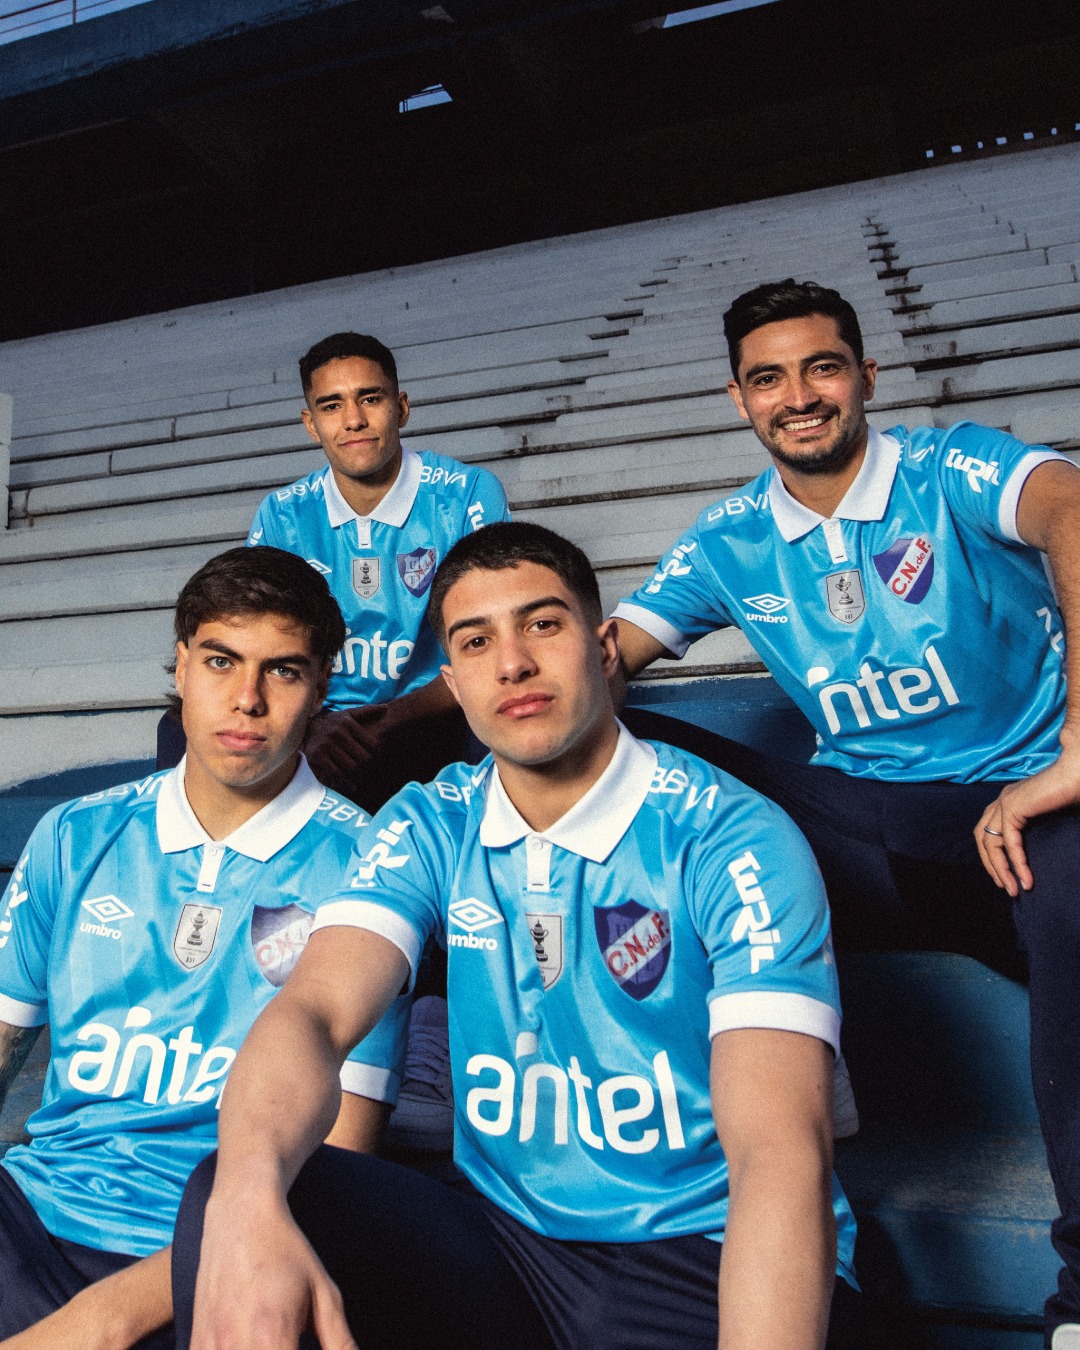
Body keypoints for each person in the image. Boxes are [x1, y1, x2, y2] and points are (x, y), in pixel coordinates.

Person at [174, 521, 859, 1350]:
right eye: (475, 641)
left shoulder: (731, 837)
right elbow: (314, 1011)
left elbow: (779, 1156)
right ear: (453, 684)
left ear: (603, 648)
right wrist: (245, 1197)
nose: (513, 663)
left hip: (695, 1252)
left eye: (542, 623)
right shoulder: (432, 820)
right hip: (511, 1249)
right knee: (241, 1191)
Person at [611, 278, 1080, 1347]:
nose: (798, 396)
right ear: (739, 398)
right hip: (859, 835)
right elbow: (593, 663)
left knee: (1073, 879)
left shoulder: (947, 468)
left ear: (865, 376)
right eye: (768, 378)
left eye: (821, 368)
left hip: (1017, 819)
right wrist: (392, 722)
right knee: (613, 750)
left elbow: (1072, 505)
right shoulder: (731, 536)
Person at [0, 547, 408, 1349]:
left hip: (221, 1250)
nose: (247, 699)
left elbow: (340, 1166)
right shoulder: (74, 834)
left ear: (322, 686)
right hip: (36, 1211)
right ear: (182, 665)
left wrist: (102, 1319)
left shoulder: (371, 865)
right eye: (221, 661)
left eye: (282, 671)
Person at [244, 330, 510, 812]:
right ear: (310, 424)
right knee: (184, 725)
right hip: (318, 727)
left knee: (493, 714)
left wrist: (392, 718)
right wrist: (311, 726)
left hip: (435, 715)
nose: (353, 419)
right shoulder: (283, 514)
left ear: (401, 407)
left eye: (370, 398)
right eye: (331, 406)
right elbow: (256, 646)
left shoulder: (465, 493)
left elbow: (496, 638)